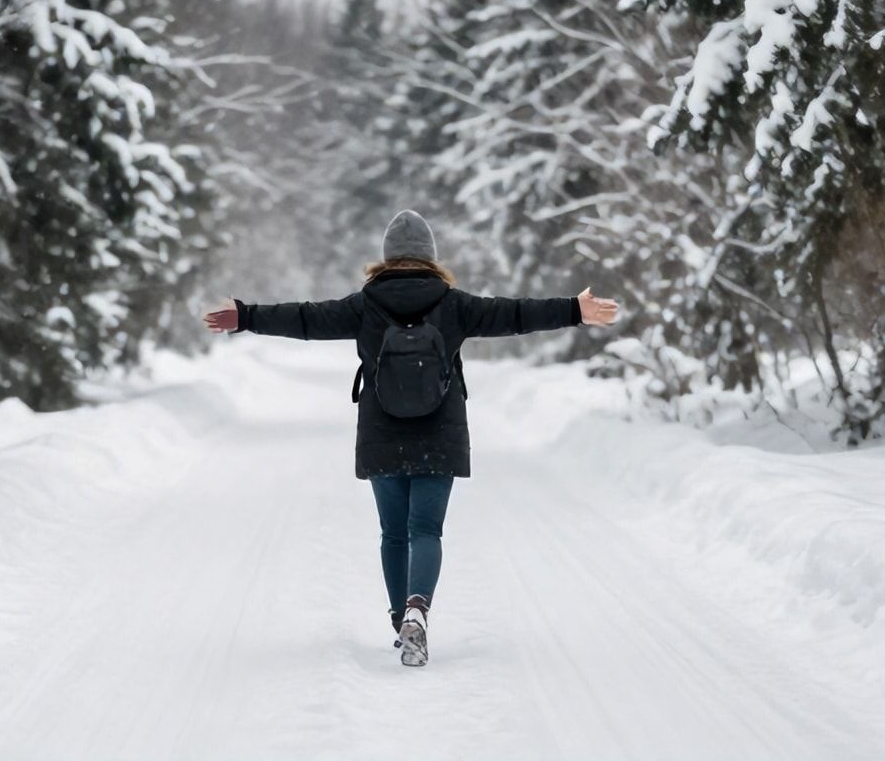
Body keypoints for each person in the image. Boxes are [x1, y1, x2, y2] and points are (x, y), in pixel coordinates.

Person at [202, 209, 619, 666]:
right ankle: (418, 610)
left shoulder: (363, 306)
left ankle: (400, 616)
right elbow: (515, 314)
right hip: (440, 431)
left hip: (382, 431)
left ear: (386, 259)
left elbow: (305, 320)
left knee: (393, 532)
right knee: (426, 529)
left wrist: (246, 317)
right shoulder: (456, 304)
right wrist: (574, 310)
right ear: (431, 258)